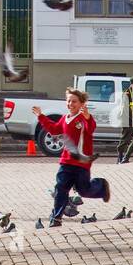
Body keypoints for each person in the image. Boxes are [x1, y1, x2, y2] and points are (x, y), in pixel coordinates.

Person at [34, 89, 111, 227]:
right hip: (66, 161)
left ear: (82, 103)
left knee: (84, 190)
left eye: (74, 101)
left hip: (82, 162)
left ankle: (101, 186)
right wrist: (41, 116)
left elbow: (91, 128)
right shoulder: (65, 118)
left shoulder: (84, 118)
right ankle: (56, 218)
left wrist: (87, 116)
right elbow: (54, 129)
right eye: (68, 101)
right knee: (60, 188)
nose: (70, 103)